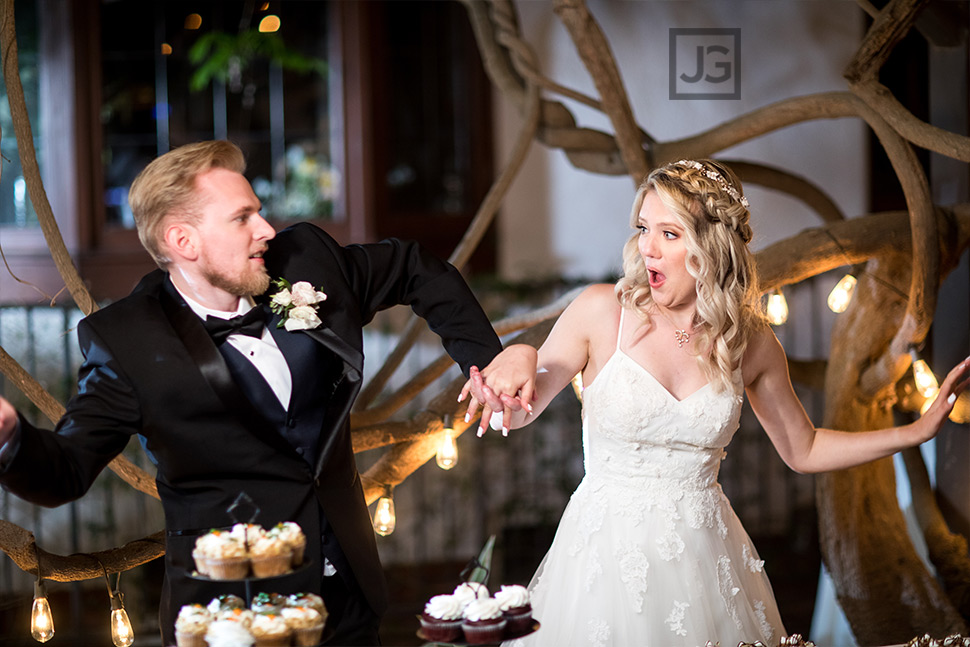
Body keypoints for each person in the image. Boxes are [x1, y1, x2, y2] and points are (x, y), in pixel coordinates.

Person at [0, 140, 511, 646]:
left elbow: (413, 268)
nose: (266, 230)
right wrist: (9, 435)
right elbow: (64, 471)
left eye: (259, 213)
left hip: (351, 596)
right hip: (227, 617)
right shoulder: (127, 343)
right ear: (184, 241)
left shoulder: (308, 261)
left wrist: (489, 359)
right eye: (242, 218)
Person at [460, 159, 970, 647]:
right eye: (644, 228)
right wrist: (523, 355)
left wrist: (916, 431)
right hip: (604, 560)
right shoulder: (599, 311)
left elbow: (804, 448)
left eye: (670, 233)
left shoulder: (749, 342)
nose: (649, 249)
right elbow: (517, 409)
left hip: (706, 560)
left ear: (710, 247)